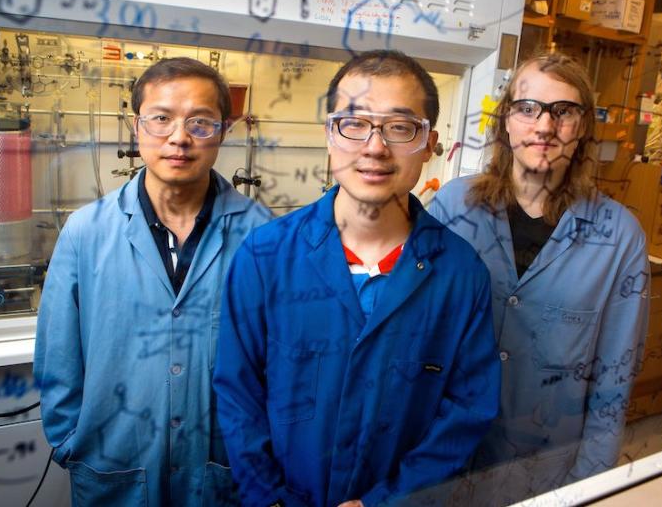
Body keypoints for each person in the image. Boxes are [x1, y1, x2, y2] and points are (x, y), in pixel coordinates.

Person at [213, 50, 500, 507]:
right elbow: (237, 393)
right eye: (355, 124)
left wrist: (388, 501)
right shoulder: (265, 256)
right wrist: (270, 499)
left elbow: (466, 412)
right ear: (330, 135)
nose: (375, 146)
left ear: (430, 144)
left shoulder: (461, 274)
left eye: (400, 127)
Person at [34, 57, 271, 506]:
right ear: (135, 125)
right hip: (113, 466)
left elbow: (278, 363)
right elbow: (57, 357)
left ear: (224, 130)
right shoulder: (86, 231)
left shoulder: (262, 235)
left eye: (201, 123)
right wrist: (70, 443)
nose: (179, 138)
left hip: (222, 471)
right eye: (161, 119)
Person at [429, 51, 650, 503]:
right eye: (528, 109)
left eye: (563, 111)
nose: (544, 127)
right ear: (506, 121)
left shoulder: (620, 237)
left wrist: (589, 485)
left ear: (583, 126)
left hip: (540, 474)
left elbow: (614, 380)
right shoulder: (453, 208)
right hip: (439, 459)